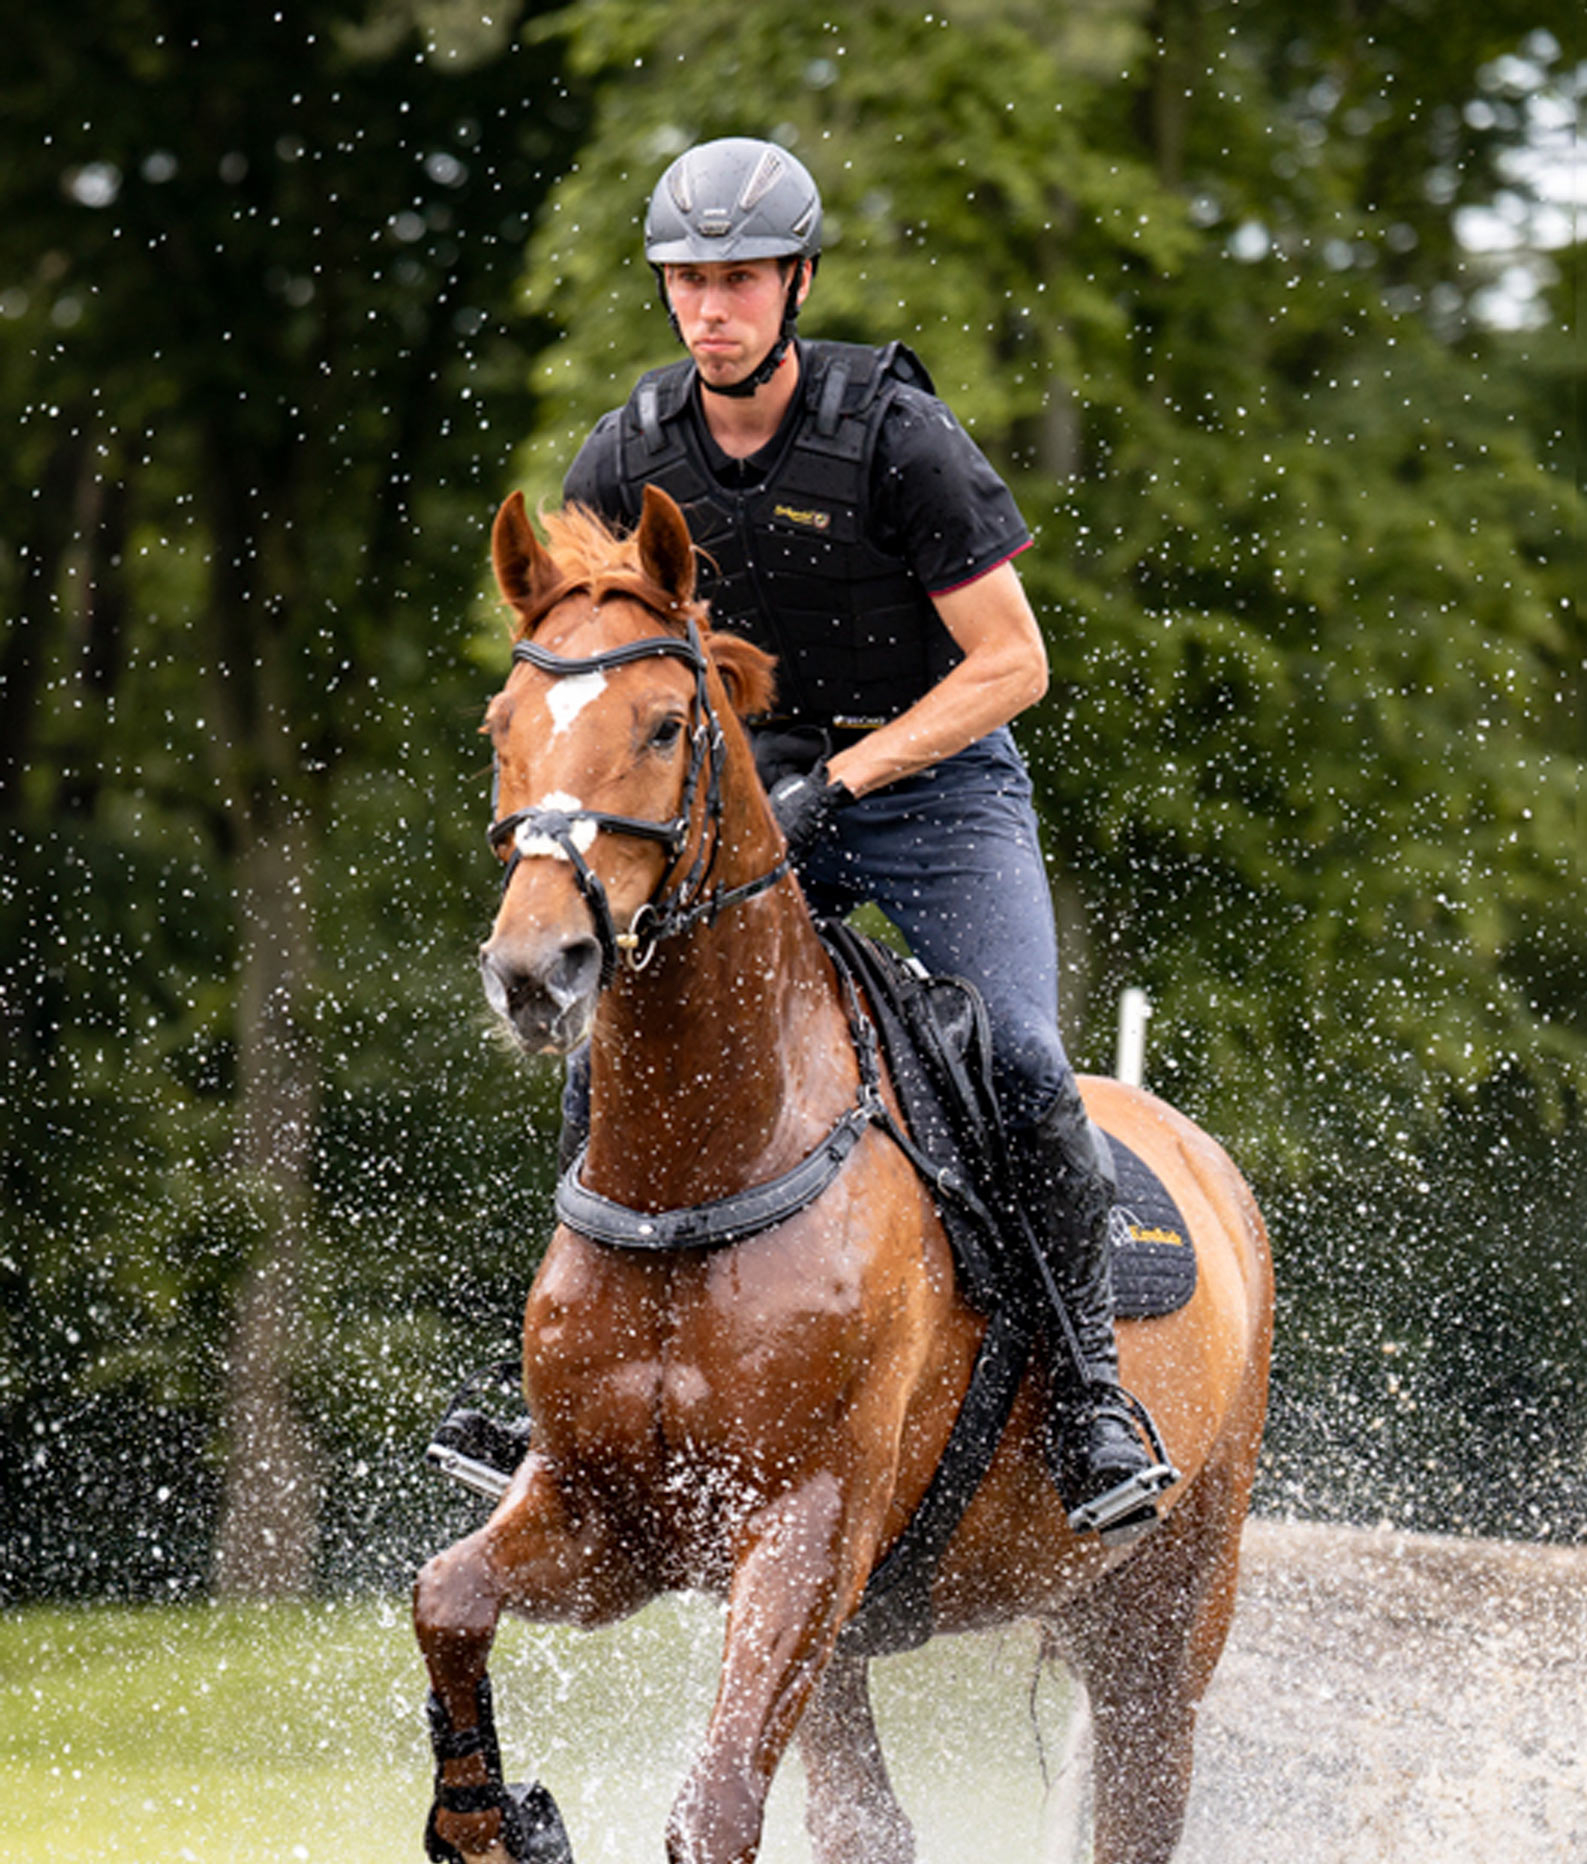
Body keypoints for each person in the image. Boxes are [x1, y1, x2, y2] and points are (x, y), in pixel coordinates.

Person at [437, 135, 1171, 1546]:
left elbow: (1015, 664)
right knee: (614, 1045)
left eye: (740, 280)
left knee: (1022, 1057)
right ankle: (550, 1394)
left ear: (798, 283)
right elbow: (588, 665)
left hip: (937, 783)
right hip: (738, 789)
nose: (711, 308)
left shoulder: (896, 437)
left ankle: (1090, 1396)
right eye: (688, 282)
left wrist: (847, 777)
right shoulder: (628, 454)